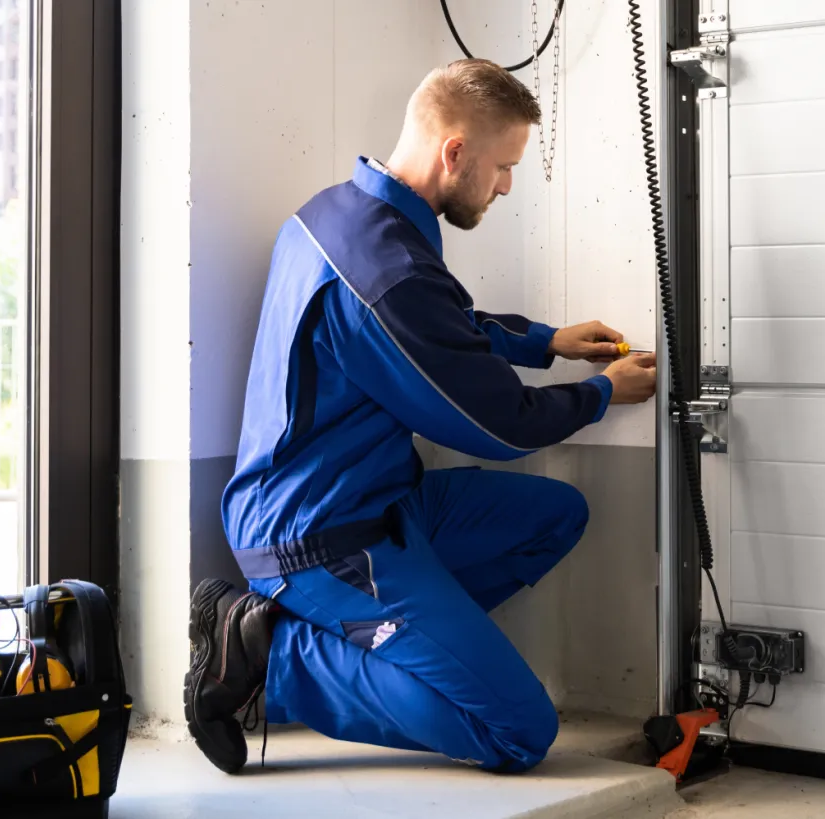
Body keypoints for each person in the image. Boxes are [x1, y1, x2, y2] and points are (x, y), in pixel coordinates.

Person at [184, 58, 657, 776]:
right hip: (317, 537)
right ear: (455, 152)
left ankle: (400, 649)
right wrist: (599, 393)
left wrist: (546, 342)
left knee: (556, 515)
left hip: (380, 501)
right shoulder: (384, 272)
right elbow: (501, 425)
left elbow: (441, 327)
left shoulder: (339, 214)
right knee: (518, 730)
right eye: (502, 166)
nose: (504, 186)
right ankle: (272, 657)